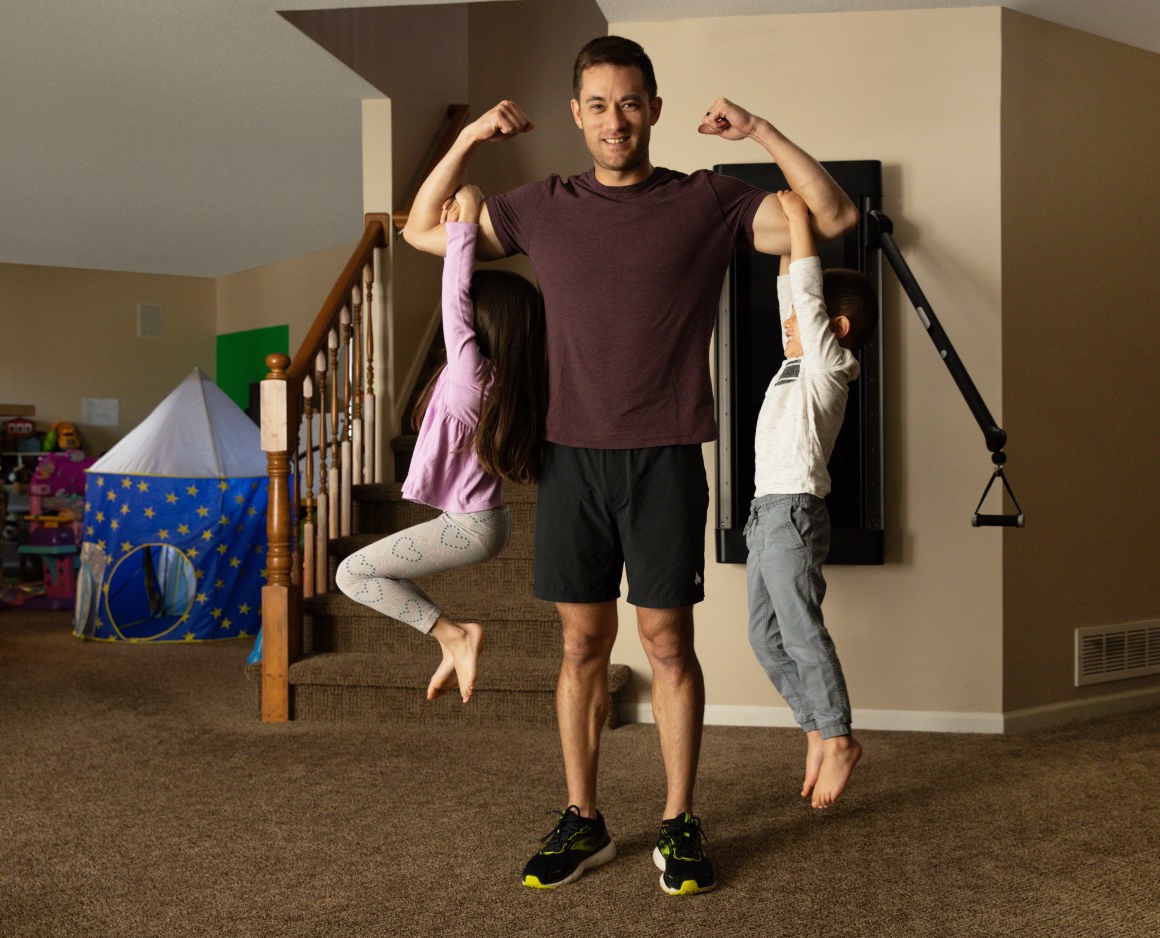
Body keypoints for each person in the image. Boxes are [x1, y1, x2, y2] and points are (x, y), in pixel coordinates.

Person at [403, 35, 858, 895]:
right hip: (571, 457)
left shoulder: (707, 202)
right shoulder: (542, 205)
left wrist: (759, 128)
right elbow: (426, 229)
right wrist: (465, 143)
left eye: (631, 103)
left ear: (654, 107)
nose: (616, 121)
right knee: (581, 646)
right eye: (599, 106)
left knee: (667, 645)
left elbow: (827, 217)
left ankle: (679, 821)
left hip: (665, 457)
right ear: (578, 115)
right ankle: (584, 819)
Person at [336, 185, 546, 704]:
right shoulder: (513, 379)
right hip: (482, 523)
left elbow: (454, 295)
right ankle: (453, 640)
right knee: (359, 573)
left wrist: (466, 222)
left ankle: (456, 636)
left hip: (472, 527)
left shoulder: (472, 374)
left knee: (352, 572)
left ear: (480, 324)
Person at [745, 189, 876, 810]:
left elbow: (806, 294)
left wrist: (802, 223)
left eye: (805, 317)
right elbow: (789, 295)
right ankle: (816, 729)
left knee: (801, 633)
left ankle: (840, 736)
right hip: (763, 512)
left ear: (836, 329)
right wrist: (782, 230)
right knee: (765, 637)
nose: (791, 322)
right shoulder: (796, 357)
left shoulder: (829, 365)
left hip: (793, 510)